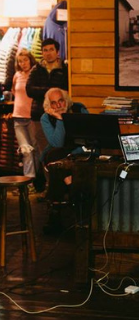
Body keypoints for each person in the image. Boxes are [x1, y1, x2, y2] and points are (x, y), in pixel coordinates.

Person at [40, 88, 88, 233]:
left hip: (77, 151)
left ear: (65, 99)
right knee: (55, 157)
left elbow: (88, 139)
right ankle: (74, 191)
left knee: (56, 164)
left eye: (60, 100)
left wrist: (72, 154)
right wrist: (60, 120)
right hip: (58, 152)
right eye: (53, 103)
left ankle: (55, 216)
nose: (58, 106)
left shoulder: (79, 109)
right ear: (49, 105)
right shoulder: (46, 118)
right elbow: (57, 143)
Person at [26, 38, 68, 191]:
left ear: (57, 52)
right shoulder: (36, 69)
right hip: (38, 116)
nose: (48, 53)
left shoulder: (64, 69)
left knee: (57, 151)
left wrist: (46, 91)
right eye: (45, 50)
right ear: (41, 52)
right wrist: (51, 91)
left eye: (51, 49)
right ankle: (48, 187)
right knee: (42, 152)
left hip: (59, 118)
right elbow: (29, 90)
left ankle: (57, 188)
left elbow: (64, 90)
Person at [11, 48, 41, 193]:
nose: (23, 63)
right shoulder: (17, 75)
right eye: (20, 61)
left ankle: (35, 182)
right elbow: (13, 92)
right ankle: (28, 184)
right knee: (26, 151)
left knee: (35, 150)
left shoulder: (35, 74)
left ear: (30, 59)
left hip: (31, 117)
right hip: (18, 117)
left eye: (25, 60)